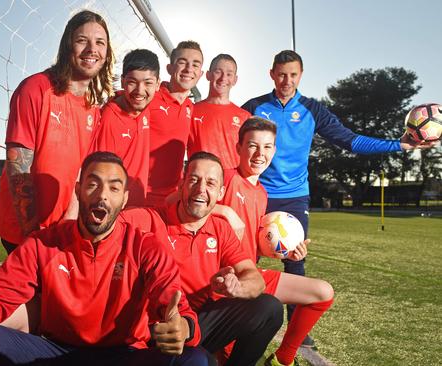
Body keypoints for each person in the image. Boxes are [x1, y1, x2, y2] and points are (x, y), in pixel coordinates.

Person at [241, 50, 430, 346]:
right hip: (256, 193)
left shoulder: (313, 110)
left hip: (294, 198)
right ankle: (242, 319)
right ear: (271, 74)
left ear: (300, 75)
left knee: (295, 260)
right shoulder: (253, 107)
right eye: (281, 74)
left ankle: (297, 330)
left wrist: (400, 145)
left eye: (293, 74)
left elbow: (351, 140)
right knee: (246, 257)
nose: (286, 80)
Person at [0, 152, 209, 366]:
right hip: (57, 353)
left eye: (114, 187)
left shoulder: (145, 246)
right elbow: (0, 298)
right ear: (78, 190)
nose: (102, 196)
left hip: (124, 356)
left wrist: (183, 329)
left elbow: (179, 309)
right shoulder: (44, 243)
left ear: (125, 198)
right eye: (93, 184)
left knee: (194, 359)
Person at [217, 117, 334, 366]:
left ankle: (283, 359)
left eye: (267, 146)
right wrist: (225, 211)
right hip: (224, 280)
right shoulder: (224, 178)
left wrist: (285, 253)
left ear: (275, 151)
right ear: (238, 148)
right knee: (225, 357)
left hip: (251, 274)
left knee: (323, 293)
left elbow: (253, 242)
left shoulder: (261, 192)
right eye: (252, 145)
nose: (260, 154)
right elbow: (179, 203)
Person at [0, 10, 114, 254]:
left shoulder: (93, 108)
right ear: (67, 46)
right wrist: (33, 236)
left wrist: (69, 221)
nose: (92, 49)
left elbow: (80, 171)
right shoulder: (36, 88)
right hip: (24, 233)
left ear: (107, 53)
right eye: (82, 40)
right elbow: (18, 165)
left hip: (62, 229)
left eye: (99, 42)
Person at [157, 151, 284, 365]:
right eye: (194, 180)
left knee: (269, 308)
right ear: (182, 184)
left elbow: (255, 279)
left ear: (220, 192)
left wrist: (235, 287)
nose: (201, 189)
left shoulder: (220, 229)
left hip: (200, 322)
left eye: (210, 183)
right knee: (204, 361)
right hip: (163, 325)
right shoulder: (154, 222)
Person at [92, 48, 159, 206]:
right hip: (114, 211)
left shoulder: (145, 109)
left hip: (137, 208)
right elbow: (99, 171)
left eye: (148, 83)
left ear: (157, 85)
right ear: (122, 82)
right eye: (132, 82)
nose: (139, 90)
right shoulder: (109, 118)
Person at [146, 41, 204, 206]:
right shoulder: (149, 98)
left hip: (172, 199)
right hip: (140, 193)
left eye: (195, 65)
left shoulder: (190, 108)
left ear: (200, 73)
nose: (188, 69)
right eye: (182, 62)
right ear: (170, 68)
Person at [188, 54, 251, 170]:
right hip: (201, 184)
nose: (223, 78)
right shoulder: (191, 111)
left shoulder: (245, 117)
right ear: (208, 75)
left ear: (235, 80)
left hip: (232, 184)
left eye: (229, 74)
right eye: (218, 72)